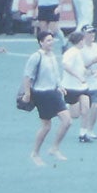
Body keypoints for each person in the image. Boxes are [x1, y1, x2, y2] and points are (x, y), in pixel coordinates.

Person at [21, 28, 73, 167]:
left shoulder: (52, 56)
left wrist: (59, 86)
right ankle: (35, 153)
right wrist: (27, 93)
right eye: (48, 40)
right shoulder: (36, 57)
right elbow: (27, 76)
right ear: (41, 42)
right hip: (41, 93)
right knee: (46, 126)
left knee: (67, 121)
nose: (51, 43)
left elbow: (55, 74)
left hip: (53, 92)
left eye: (52, 40)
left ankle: (54, 148)